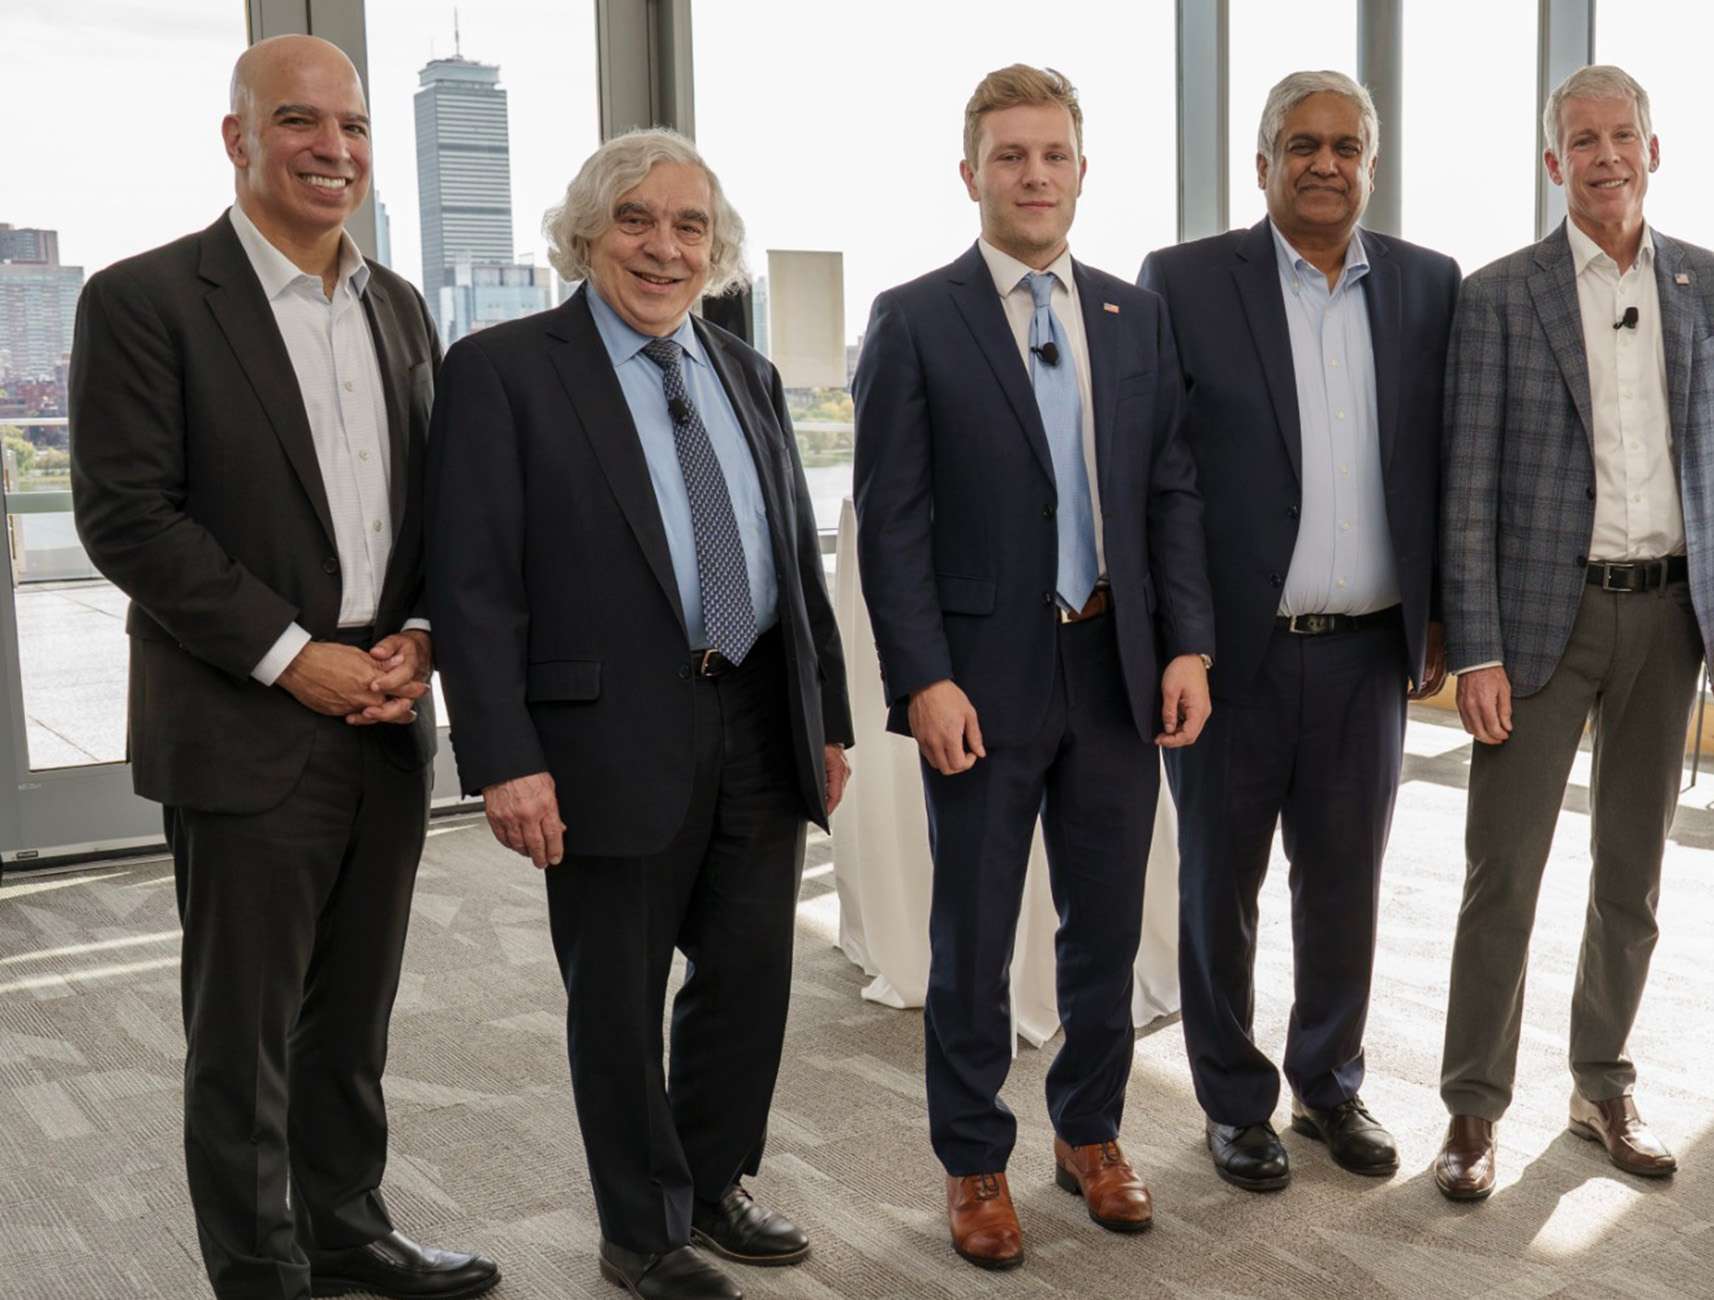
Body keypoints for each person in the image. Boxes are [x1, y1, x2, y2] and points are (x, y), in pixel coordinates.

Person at [68, 35, 497, 1300]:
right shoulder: (146, 300)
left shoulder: (400, 304)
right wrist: (292, 656)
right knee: (242, 1029)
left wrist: (420, 629)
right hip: (245, 718)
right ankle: (259, 1267)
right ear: (238, 136)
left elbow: (429, 505)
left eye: (353, 127)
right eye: (302, 122)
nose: (336, 150)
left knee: (351, 1015)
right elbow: (129, 517)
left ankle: (348, 1225)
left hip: (384, 712)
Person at [426, 128, 853, 1300]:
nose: (663, 248)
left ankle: (713, 1182)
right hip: (599, 739)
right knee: (615, 995)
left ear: (716, 253)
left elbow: (793, 563)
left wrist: (830, 716)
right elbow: (469, 585)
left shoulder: (745, 370)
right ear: (585, 234)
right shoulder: (502, 370)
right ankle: (642, 1227)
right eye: (636, 221)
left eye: (689, 228)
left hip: (761, 717)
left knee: (750, 976)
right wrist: (503, 757)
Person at [851, 64, 1215, 1270]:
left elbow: (1169, 493)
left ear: (1080, 169)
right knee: (971, 937)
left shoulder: (1132, 314)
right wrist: (923, 678)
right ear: (971, 175)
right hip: (981, 681)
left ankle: (1091, 1132)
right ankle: (972, 1159)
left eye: (1053, 153)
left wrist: (1187, 646)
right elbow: (889, 518)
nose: (1034, 175)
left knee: (1104, 925)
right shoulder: (915, 317)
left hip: (1113, 664)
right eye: (1010, 155)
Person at [1433, 63, 1714, 1200]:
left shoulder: (1710, 285)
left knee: (1633, 870)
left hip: (1671, 616)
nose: (1606, 155)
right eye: (1583, 139)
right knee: (1503, 875)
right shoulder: (1496, 295)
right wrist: (1472, 645)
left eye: (1623, 135)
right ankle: (1472, 1108)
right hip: (1536, 625)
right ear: (1553, 162)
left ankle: (1600, 1079)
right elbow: (1463, 488)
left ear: (1653, 151)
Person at [1137, 70, 1460, 1194]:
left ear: (1370, 162)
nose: (1325, 163)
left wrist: (1444, 619)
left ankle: (1329, 1083)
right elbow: (1162, 478)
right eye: (1301, 144)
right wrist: (1181, 638)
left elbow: (1444, 469)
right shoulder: (1182, 282)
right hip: (1232, 655)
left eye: (1346, 146)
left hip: (1370, 649)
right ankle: (1232, 1099)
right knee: (1219, 886)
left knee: (1345, 881)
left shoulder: (1428, 286)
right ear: (1262, 161)